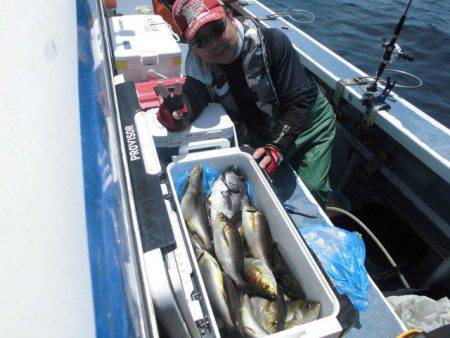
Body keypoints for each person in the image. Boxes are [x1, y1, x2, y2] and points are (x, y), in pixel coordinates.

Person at [156, 0, 336, 207]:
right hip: (264, 129)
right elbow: (189, 104)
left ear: (230, 16)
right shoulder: (201, 71)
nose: (213, 44)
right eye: (201, 40)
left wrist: (276, 148)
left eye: (216, 29)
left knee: (313, 191)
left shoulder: (273, 43)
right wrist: (175, 116)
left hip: (310, 125)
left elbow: (298, 104)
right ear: (192, 46)